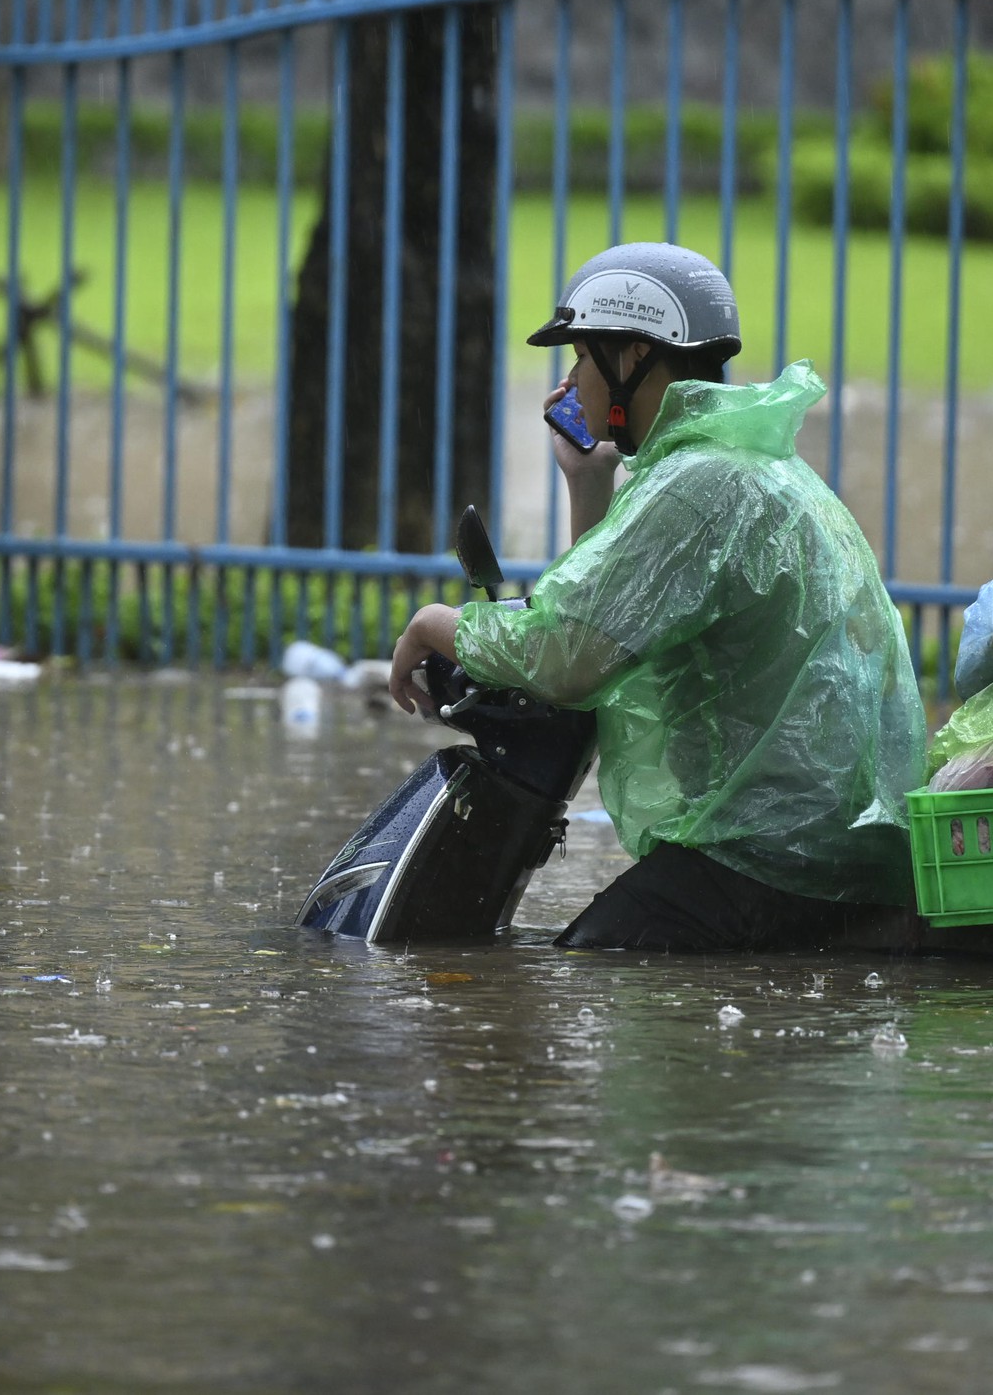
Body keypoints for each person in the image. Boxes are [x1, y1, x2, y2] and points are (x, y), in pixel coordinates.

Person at [386, 242, 928, 952]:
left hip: (768, 855)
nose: (574, 379)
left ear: (633, 355)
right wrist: (589, 482)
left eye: (582, 357)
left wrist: (435, 624)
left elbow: (567, 657)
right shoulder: (737, 463)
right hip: (814, 843)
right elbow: (612, 611)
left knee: (590, 964)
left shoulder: (700, 486)